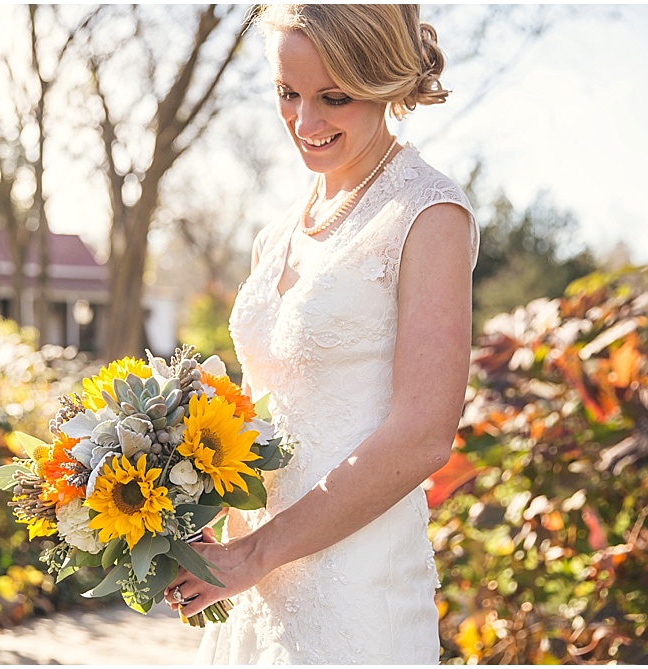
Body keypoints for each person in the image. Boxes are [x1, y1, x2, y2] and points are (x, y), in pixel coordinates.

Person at [163, 4, 478, 664]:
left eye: (334, 97)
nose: (305, 123)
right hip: (252, 588)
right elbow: (257, 420)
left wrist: (257, 551)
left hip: (357, 593)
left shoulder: (428, 214)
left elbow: (423, 433)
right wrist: (195, 516)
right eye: (288, 93)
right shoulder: (273, 235)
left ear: (386, 82)